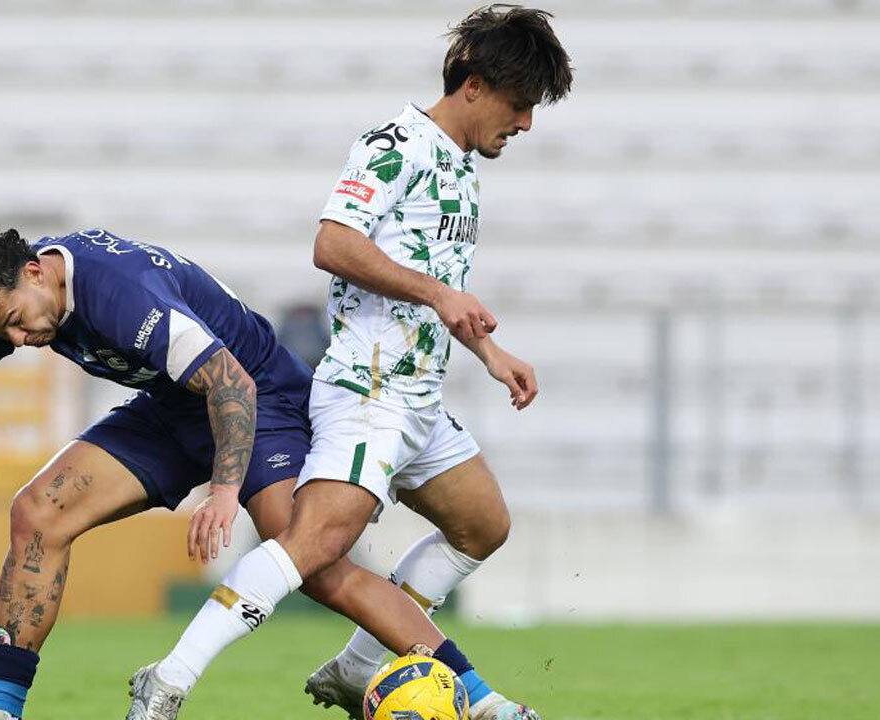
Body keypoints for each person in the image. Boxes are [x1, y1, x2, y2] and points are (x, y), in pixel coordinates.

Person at [0, 227, 489, 720]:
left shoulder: (119, 295)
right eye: (0, 331)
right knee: (37, 512)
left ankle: (479, 697)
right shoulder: (19, 294)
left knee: (310, 563)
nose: (16, 341)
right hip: (173, 410)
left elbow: (229, 382)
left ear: (37, 273)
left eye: (13, 323)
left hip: (258, 401)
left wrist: (225, 490)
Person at [127, 6, 572, 720]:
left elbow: (437, 285)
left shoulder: (461, 165)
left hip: (418, 396)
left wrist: (488, 350)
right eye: (519, 105)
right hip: (368, 389)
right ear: (475, 86)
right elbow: (333, 243)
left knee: (483, 523)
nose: (524, 124)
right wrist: (438, 294)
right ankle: (169, 679)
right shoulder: (396, 144)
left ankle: (355, 667)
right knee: (312, 546)